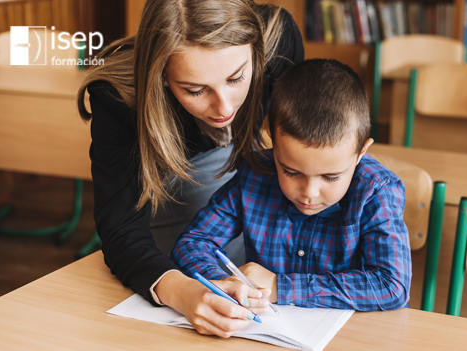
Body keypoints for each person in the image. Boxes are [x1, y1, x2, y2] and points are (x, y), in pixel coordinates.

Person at [76, 0, 304, 337]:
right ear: (162, 75)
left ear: (257, 52)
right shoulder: (119, 95)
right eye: (195, 90)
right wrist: (183, 292)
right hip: (175, 189)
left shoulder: (279, 39)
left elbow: (303, 143)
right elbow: (121, 227)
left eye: (237, 77)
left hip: (251, 173)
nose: (224, 107)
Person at [172, 59, 411, 311]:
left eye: (330, 177)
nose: (309, 193)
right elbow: (193, 242)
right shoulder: (256, 174)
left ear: (361, 152)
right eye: (291, 172)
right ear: (271, 135)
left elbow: (392, 286)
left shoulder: (376, 191)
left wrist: (280, 287)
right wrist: (226, 283)